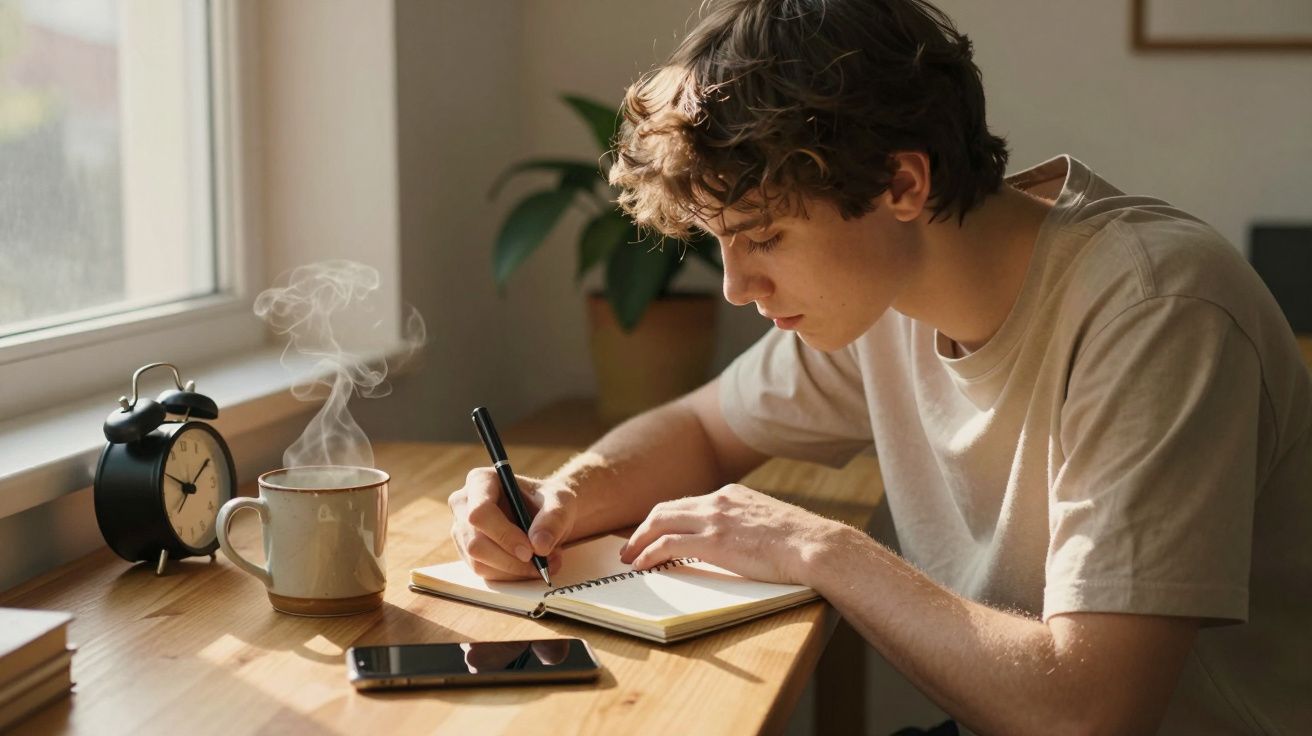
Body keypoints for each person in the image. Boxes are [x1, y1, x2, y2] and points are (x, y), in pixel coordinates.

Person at [448, 0, 1312, 733]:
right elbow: (706, 428)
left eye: (766, 236)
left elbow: (1088, 710)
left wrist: (819, 547)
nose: (739, 287)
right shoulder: (882, 295)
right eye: (721, 245)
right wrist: (560, 498)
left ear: (902, 185)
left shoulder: (1157, 311)